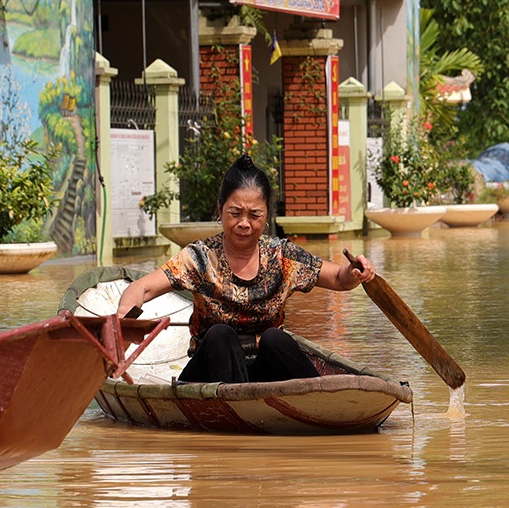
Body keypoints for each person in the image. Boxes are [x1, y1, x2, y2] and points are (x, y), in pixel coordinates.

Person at [117, 154, 376, 384]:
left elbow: (339, 279)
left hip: (265, 373)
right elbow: (141, 288)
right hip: (210, 376)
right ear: (220, 209)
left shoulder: (282, 256)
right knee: (220, 335)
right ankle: (239, 409)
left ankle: (320, 402)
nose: (244, 223)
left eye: (254, 215)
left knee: (276, 339)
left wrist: (355, 272)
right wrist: (120, 326)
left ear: (266, 215)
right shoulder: (199, 258)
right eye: (235, 213)